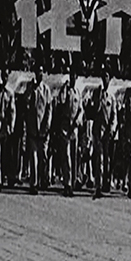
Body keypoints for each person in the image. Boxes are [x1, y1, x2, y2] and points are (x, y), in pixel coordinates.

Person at [53, 68, 83, 197]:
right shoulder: (65, 91)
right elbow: (61, 101)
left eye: (74, 76)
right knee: (66, 157)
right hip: (65, 125)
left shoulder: (77, 92)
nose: (72, 78)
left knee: (74, 156)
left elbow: (81, 109)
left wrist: (78, 121)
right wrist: (64, 88)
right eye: (71, 75)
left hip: (74, 127)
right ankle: (67, 183)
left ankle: (73, 182)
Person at [27, 67, 52, 194]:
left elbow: (49, 109)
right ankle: (34, 184)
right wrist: (31, 90)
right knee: (34, 157)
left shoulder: (46, 90)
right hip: (32, 128)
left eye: (41, 72)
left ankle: (44, 180)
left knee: (43, 157)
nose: (40, 74)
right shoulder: (31, 88)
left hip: (43, 129)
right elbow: (26, 103)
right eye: (38, 72)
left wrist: (46, 126)